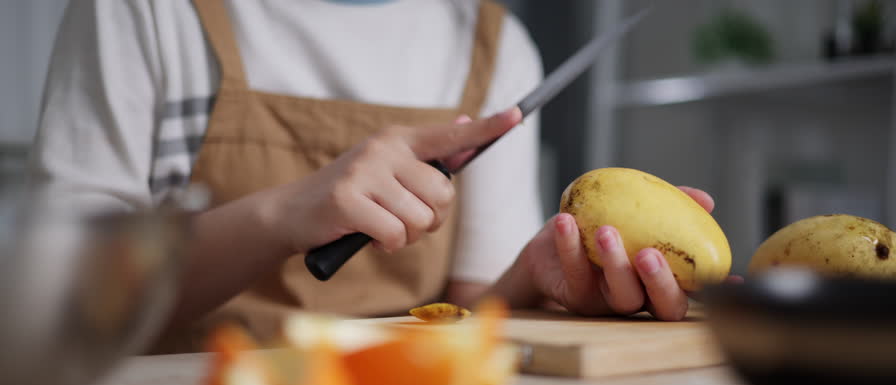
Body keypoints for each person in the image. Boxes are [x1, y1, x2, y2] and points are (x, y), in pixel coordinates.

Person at [30, 0, 720, 353]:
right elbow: (60, 307)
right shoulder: (146, 12)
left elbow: (475, 316)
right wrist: (280, 215)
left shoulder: (491, 41)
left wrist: (542, 282)